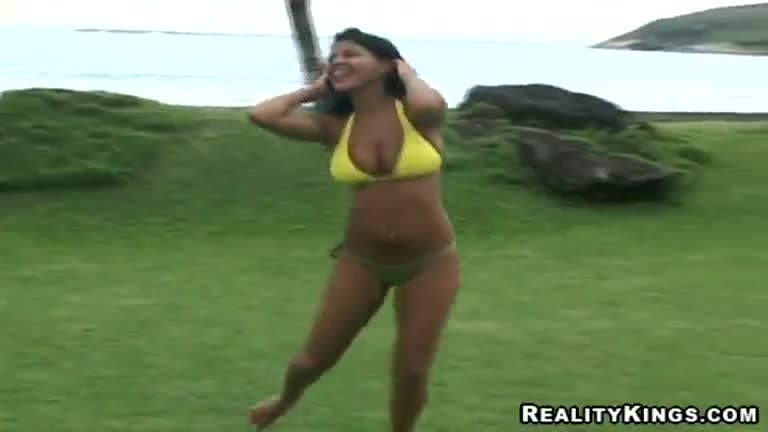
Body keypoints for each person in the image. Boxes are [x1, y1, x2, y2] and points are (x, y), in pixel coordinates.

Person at [246, 27, 460, 432]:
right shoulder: (336, 127)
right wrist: (314, 90)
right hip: (361, 262)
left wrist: (406, 73)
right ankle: (284, 400)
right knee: (309, 361)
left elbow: (429, 101)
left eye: (351, 54)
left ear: (385, 64)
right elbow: (261, 115)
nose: (338, 61)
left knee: (411, 372)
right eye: (334, 57)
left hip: (430, 263)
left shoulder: (418, 115)